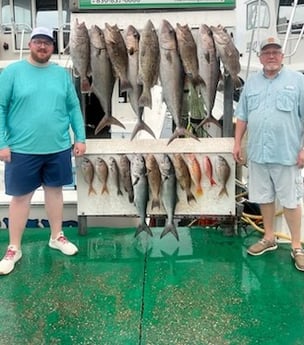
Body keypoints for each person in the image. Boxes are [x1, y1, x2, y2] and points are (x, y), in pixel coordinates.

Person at [0, 27, 86, 275]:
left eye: (47, 43)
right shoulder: (12, 72)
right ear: (30, 44)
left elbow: (73, 108)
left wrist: (80, 137)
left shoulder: (61, 75)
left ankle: (56, 236)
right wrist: (2, 143)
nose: (42, 47)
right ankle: (14, 247)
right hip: (21, 150)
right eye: (38, 42)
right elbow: (1, 108)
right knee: (20, 199)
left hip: (58, 147)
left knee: (55, 192)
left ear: (53, 47)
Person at [233, 37, 304, 272]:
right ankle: (269, 238)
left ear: (282, 56)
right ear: (261, 57)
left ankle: (296, 247)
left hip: (287, 153)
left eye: (275, 52)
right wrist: (237, 143)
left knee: (291, 201)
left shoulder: (298, 81)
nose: (271, 56)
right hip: (258, 153)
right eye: (267, 52)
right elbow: (242, 116)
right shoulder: (251, 84)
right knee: (264, 197)